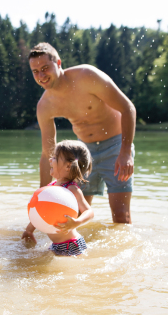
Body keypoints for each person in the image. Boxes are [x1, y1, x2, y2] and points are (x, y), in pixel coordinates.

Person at [28, 42, 136, 224]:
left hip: (116, 146)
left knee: (120, 217)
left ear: (59, 63)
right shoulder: (44, 105)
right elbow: (48, 153)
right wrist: (42, 194)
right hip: (82, 154)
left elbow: (127, 108)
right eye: (35, 71)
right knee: (74, 214)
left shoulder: (87, 76)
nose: (41, 75)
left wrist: (125, 152)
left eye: (45, 68)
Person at [21, 140, 94, 256]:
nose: (50, 159)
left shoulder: (71, 189)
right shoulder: (51, 187)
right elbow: (42, 211)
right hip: (55, 244)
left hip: (72, 244)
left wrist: (77, 222)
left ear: (68, 166)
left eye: (55, 158)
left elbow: (89, 212)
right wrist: (29, 230)